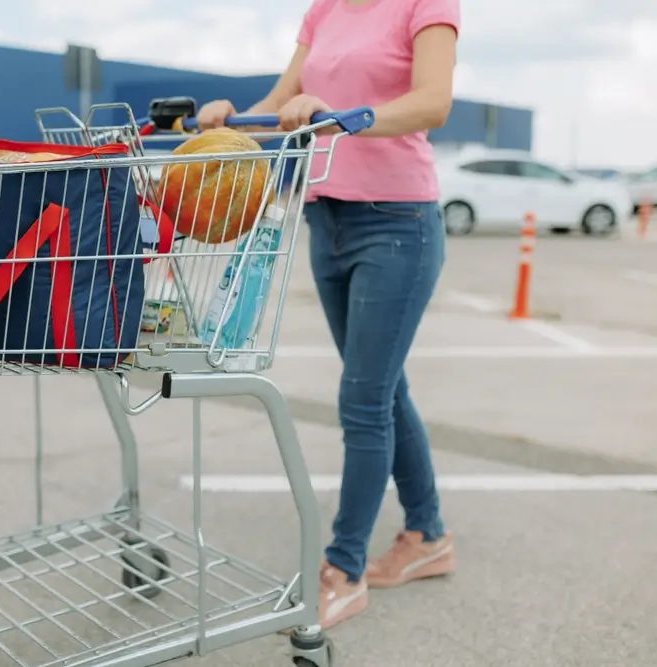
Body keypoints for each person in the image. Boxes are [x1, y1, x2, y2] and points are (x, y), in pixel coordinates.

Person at [196, 0, 460, 631]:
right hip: (328, 219)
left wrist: (341, 120)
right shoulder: (326, 9)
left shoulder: (427, 5)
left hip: (397, 225)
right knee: (384, 391)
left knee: (364, 399)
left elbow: (433, 103)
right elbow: (285, 101)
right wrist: (230, 118)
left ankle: (343, 569)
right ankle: (428, 536)